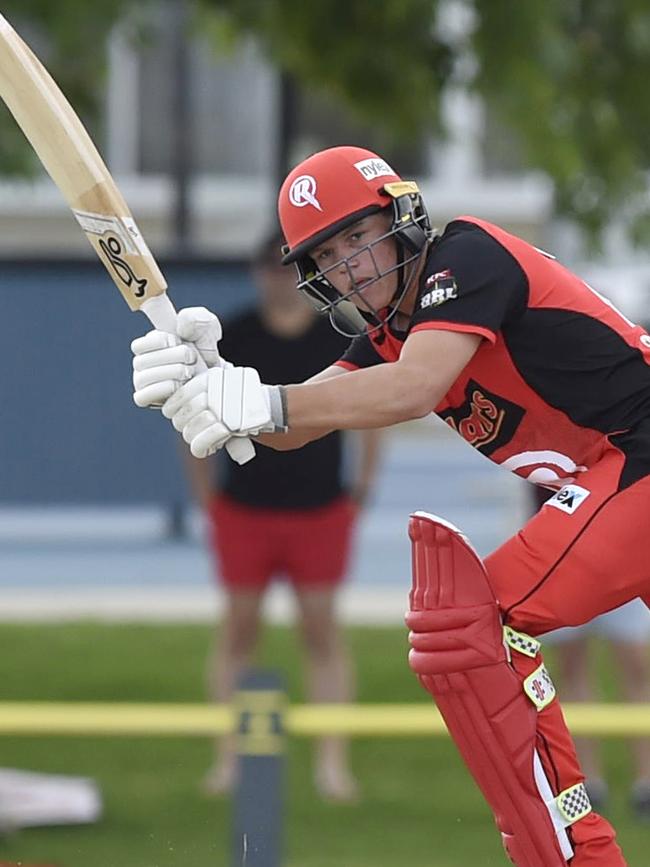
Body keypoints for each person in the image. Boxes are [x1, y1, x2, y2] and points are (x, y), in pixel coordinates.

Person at [130, 144, 650, 865]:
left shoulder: (465, 261)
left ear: (402, 218)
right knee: (469, 626)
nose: (352, 264)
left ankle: (577, 854)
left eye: (358, 236)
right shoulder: (393, 332)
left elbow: (409, 389)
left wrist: (264, 401)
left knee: (476, 618)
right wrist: (218, 384)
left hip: (638, 457)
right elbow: (302, 422)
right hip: (616, 481)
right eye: (331, 253)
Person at [184, 233, 381, 801]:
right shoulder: (233, 336)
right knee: (240, 632)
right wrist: (206, 496)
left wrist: (362, 488)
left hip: (320, 507)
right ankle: (228, 760)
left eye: (286, 269)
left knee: (321, 633)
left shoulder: (338, 335)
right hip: (245, 507)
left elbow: (374, 405)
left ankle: (332, 765)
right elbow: (193, 420)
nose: (276, 278)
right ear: (255, 275)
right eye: (266, 268)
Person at [529, 488, 650, 819]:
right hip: (563, 557)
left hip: (622, 554)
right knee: (571, 669)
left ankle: (646, 781)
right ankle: (585, 783)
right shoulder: (545, 440)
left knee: (636, 666)